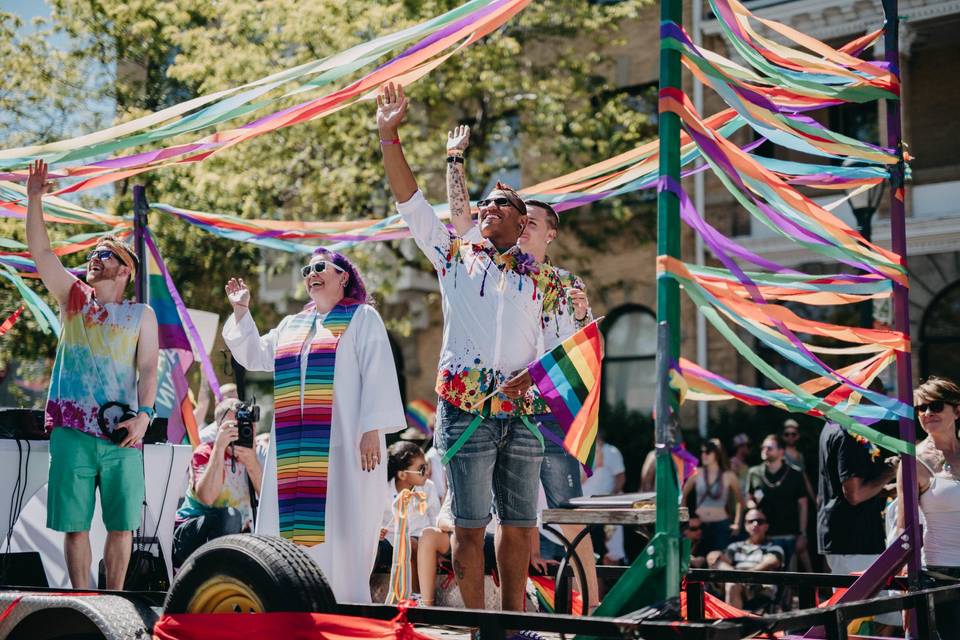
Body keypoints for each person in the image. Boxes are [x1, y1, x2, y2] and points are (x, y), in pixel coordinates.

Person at [377, 83, 561, 613]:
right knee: (468, 522)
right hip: (465, 409)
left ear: (523, 222)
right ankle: (480, 626)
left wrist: (540, 374)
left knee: (521, 525)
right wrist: (390, 136)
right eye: (483, 203)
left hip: (523, 413)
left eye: (499, 204)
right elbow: (411, 202)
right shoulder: (455, 256)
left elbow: (563, 347)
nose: (485, 208)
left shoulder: (544, 282)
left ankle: (514, 620)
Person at [445, 125, 600, 608]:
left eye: (534, 222)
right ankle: (499, 616)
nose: (525, 225)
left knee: (563, 517)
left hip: (546, 415)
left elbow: (577, 348)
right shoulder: (477, 266)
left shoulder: (560, 282)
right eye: (521, 219)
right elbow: (459, 225)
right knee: (487, 520)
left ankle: (590, 607)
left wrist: (582, 314)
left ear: (548, 233)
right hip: (479, 410)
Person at [221, 247, 405, 602]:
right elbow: (256, 355)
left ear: (343, 276)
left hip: (345, 444)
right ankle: (292, 596)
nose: (311, 273)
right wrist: (242, 312)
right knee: (291, 528)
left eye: (320, 267)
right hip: (294, 452)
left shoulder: (361, 318)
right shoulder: (292, 325)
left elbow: (378, 373)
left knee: (343, 525)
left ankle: (346, 600)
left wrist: (373, 428)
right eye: (306, 269)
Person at [26, 160, 159, 589]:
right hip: (73, 430)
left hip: (123, 432)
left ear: (125, 271)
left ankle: (114, 601)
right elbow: (42, 253)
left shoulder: (141, 313)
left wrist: (144, 416)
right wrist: (34, 199)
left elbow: (149, 367)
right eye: (92, 254)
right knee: (75, 525)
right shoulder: (73, 298)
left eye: (103, 255)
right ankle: (83, 601)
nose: (92, 259)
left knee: (122, 526)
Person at [897, 376, 960, 638]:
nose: (927, 413)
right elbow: (904, 530)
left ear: (957, 410)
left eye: (935, 406)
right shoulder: (914, 462)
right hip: (940, 577)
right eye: (921, 408)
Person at [172, 398, 263, 568]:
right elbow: (207, 497)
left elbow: (268, 502)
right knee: (230, 516)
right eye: (233, 426)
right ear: (219, 427)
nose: (240, 430)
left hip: (236, 540)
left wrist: (251, 461)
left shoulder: (255, 454)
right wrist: (220, 448)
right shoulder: (205, 452)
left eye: (244, 424)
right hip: (190, 534)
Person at [378, 441, 441, 595]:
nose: (427, 472)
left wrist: (437, 544)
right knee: (374, 548)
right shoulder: (383, 490)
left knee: (410, 545)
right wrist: (377, 530)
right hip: (390, 539)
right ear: (402, 474)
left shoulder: (428, 487)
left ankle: (418, 596)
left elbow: (435, 517)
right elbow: (374, 517)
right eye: (421, 469)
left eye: (426, 466)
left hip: (419, 538)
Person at [746, 434, 809, 569]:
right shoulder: (754, 473)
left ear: (781, 451)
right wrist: (753, 508)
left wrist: (802, 534)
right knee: (767, 583)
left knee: (790, 582)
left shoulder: (795, 474)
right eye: (763, 447)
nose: (765, 450)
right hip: (764, 538)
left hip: (789, 535)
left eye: (769, 447)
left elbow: (803, 505)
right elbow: (749, 500)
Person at [709, 508, 784, 611]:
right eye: (750, 521)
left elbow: (772, 561)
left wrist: (744, 576)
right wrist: (714, 555)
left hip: (759, 586)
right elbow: (721, 560)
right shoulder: (735, 546)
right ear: (745, 525)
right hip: (735, 584)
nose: (755, 524)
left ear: (766, 526)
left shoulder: (773, 546)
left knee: (732, 584)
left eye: (760, 521)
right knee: (717, 562)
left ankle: (732, 625)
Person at [682, 439, 745, 553]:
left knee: (720, 561)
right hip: (700, 526)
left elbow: (740, 500)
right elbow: (683, 495)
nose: (704, 455)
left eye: (708, 452)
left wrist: (737, 523)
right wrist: (685, 522)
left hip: (721, 525)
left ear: (716, 454)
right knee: (699, 562)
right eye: (702, 452)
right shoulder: (697, 473)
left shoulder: (728, 475)